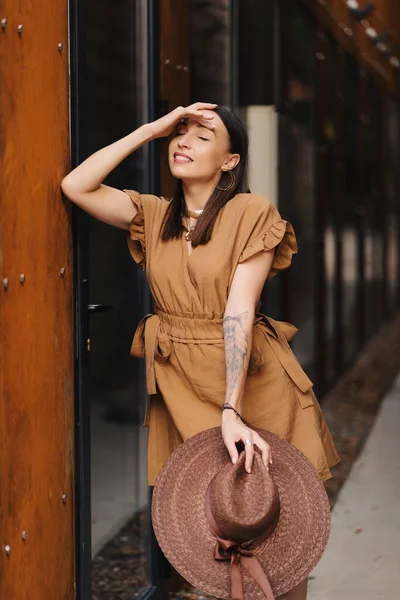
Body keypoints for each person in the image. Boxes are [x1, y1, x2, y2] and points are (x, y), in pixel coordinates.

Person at [61, 102, 340, 599]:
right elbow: (76, 185)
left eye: (201, 136)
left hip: (252, 384)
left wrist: (232, 407)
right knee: (201, 529)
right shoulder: (153, 215)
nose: (183, 141)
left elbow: (239, 310)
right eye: (180, 133)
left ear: (230, 161)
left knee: (279, 537)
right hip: (181, 384)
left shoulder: (252, 213)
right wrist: (151, 129)